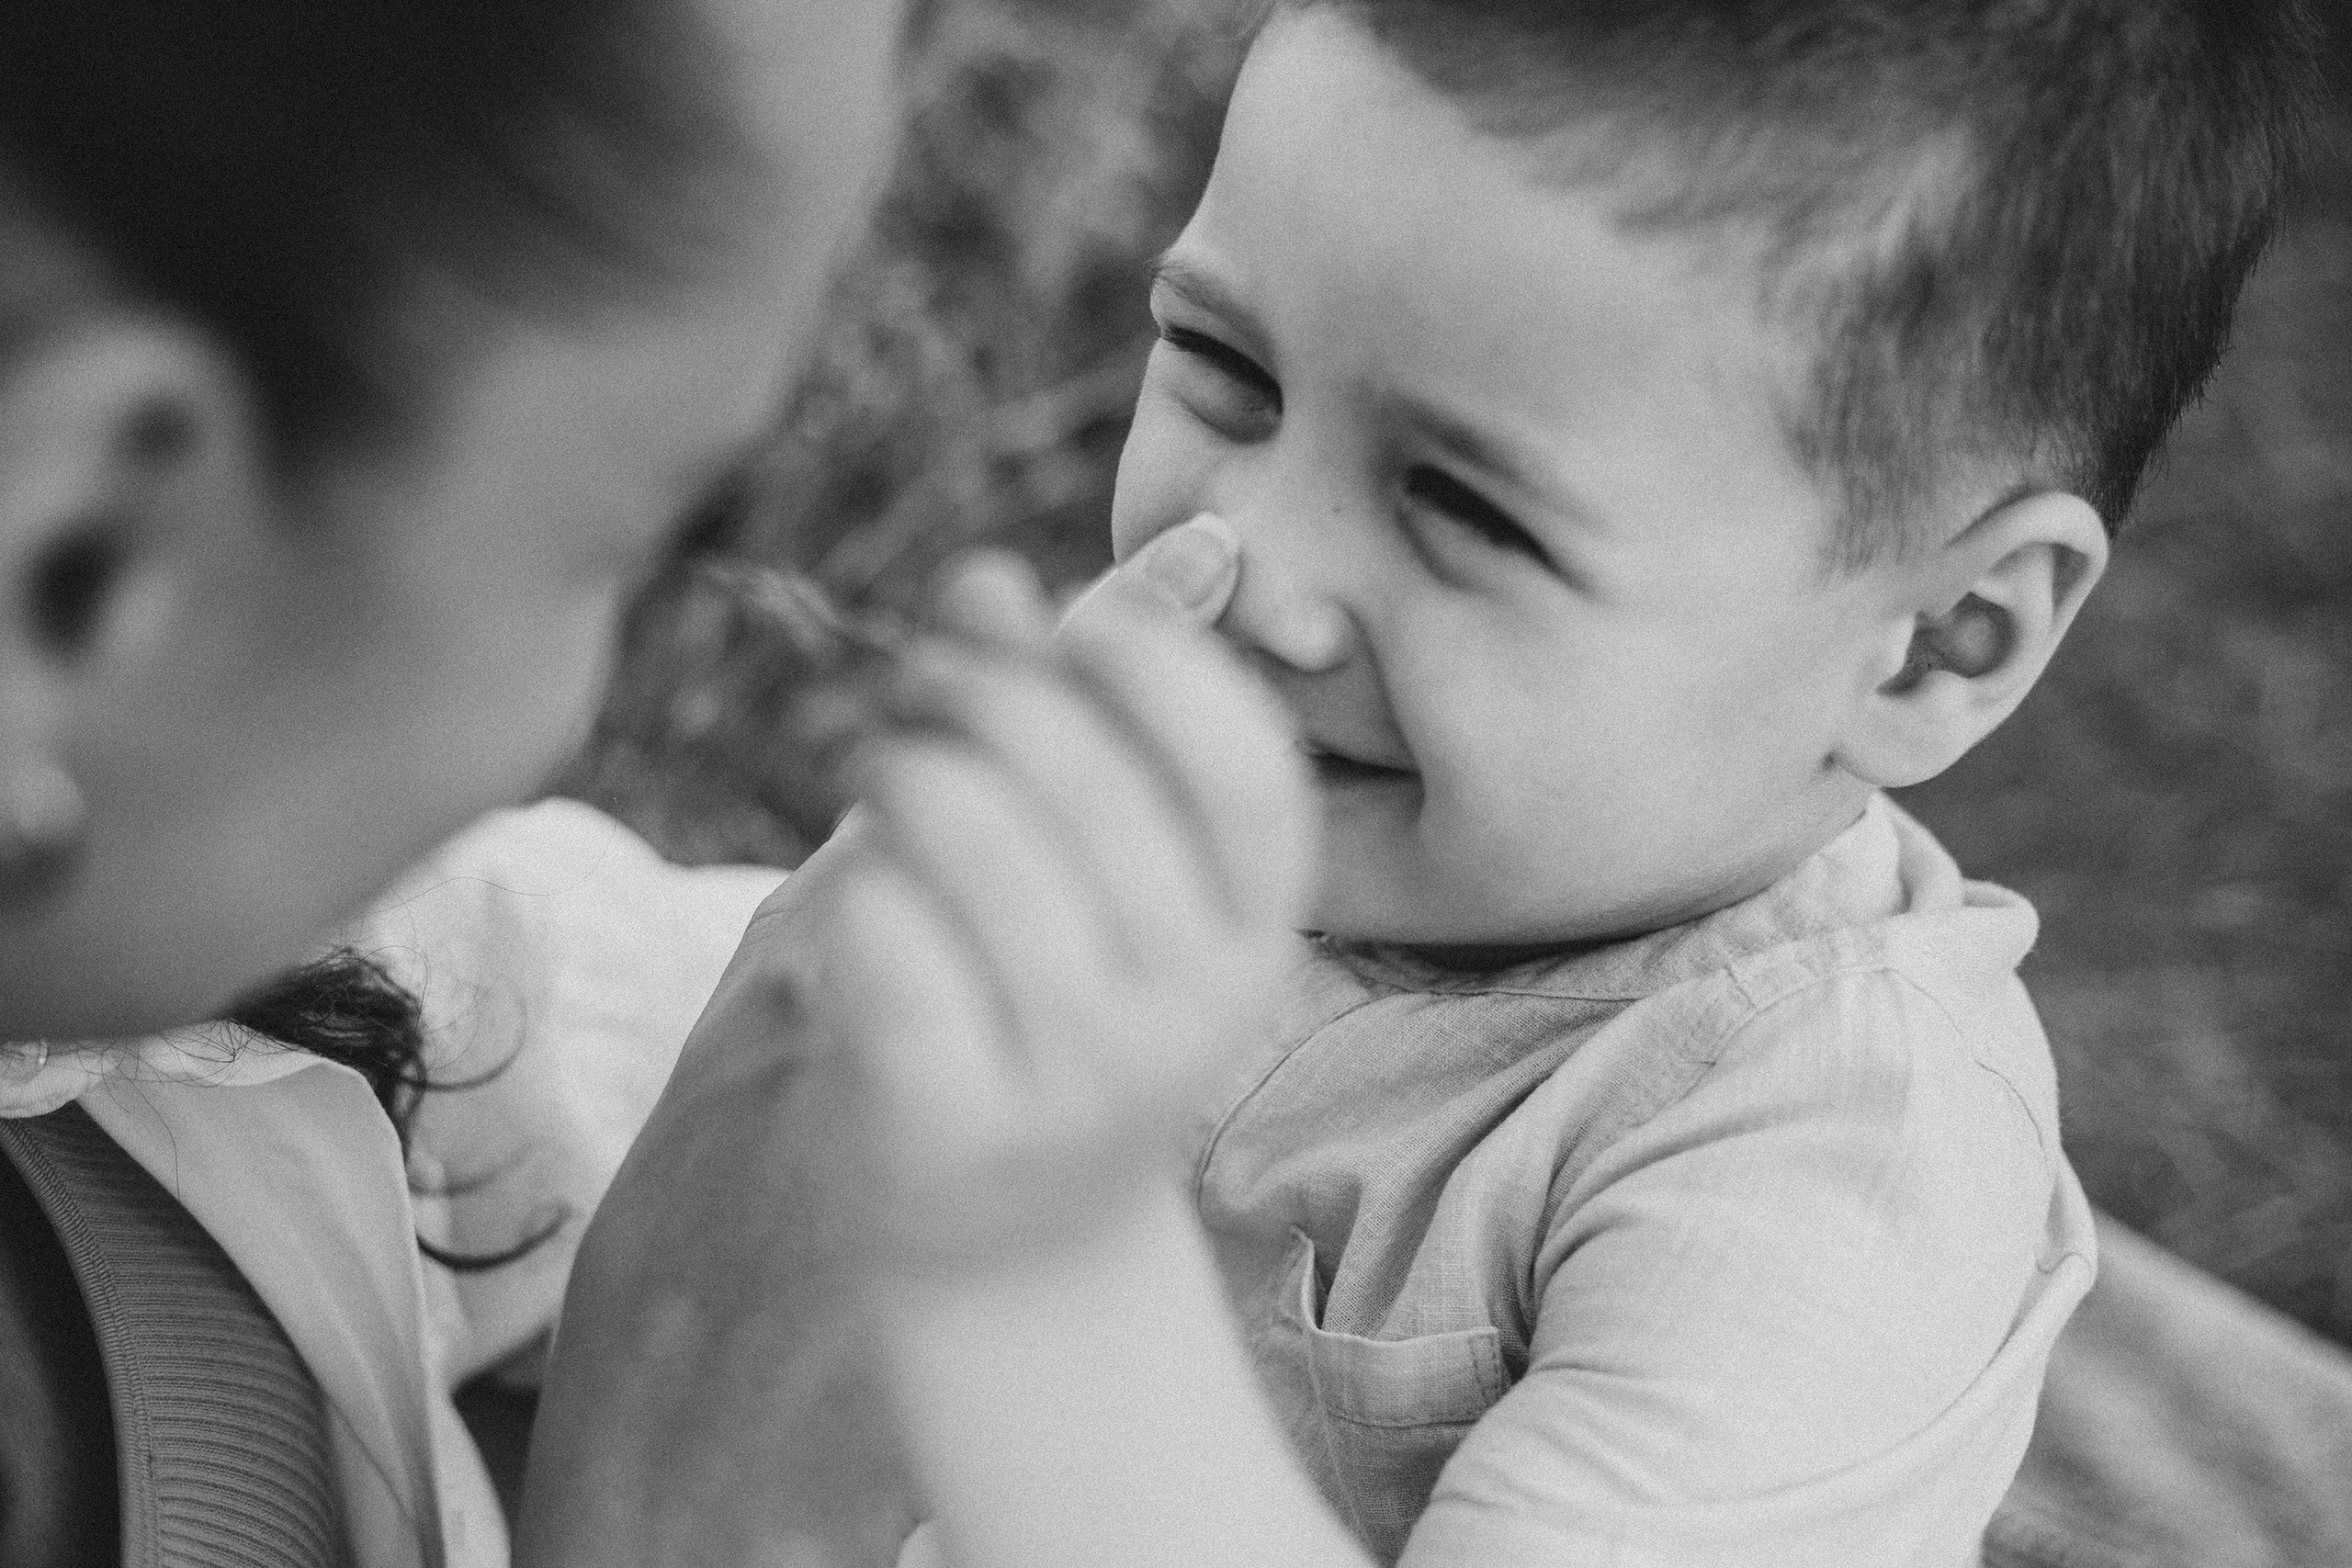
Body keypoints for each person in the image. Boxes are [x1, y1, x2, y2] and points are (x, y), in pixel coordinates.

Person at [627, 2, 2322, 1565]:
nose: (1259, 569)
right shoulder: (1289, 807)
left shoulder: (1823, 1175)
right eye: (1226, 369)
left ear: (1935, 641)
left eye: (1469, 514)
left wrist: (1053, 1248)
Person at [0, 2, 914, 1563]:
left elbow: (618, 985)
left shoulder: (196, 1015)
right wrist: (680, 1527)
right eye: (642, 542)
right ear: (87, 544)